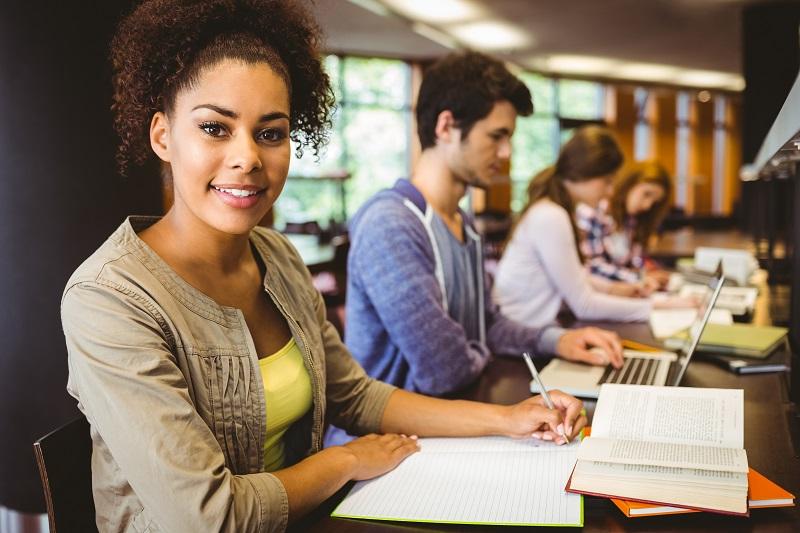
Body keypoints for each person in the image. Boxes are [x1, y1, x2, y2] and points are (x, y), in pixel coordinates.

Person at [60, 2, 587, 531]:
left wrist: (510, 419)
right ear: (162, 136)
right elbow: (210, 517)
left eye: (270, 133)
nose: (247, 158)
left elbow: (355, 395)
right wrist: (346, 460)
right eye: (215, 128)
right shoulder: (110, 297)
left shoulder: (279, 258)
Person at [339, 52, 623, 406]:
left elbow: (489, 327)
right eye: (496, 136)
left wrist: (559, 340)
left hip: (452, 420)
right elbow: (444, 372)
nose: (507, 152)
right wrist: (479, 350)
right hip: (388, 446)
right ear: (446, 127)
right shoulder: (392, 224)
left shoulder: (464, 224)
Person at [493, 126, 692, 329]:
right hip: (524, 338)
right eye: (607, 181)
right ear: (585, 172)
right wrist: (659, 306)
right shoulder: (551, 216)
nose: (610, 191)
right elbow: (585, 305)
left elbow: (574, 276)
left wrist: (615, 289)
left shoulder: (552, 209)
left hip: (535, 330)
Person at [576, 160, 673, 293]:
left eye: (654, 202)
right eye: (646, 194)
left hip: (621, 295)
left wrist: (647, 274)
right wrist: (638, 277)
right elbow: (592, 267)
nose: (647, 205)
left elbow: (630, 263)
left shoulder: (632, 221)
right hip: (594, 296)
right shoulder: (595, 212)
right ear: (629, 184)